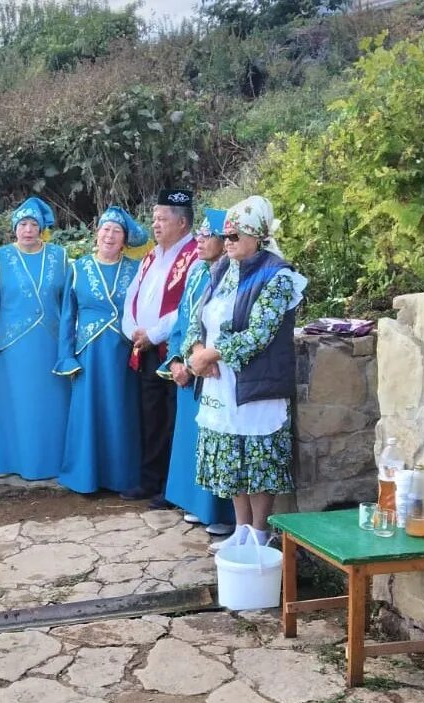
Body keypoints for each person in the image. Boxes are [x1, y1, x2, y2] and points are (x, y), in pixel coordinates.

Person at [186, 196, 306, 547]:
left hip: (256, 382)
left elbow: (258, 334)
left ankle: (259, 533)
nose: (228, 243)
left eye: (235, 237)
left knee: (257, 458)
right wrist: (196, 350)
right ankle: (241, 531)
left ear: (258, 237)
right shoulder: (221, 269)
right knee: (231, 455)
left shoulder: (278, 276)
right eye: (226, 237)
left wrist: (210, 355)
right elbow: (200, 316)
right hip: (221, 383)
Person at [122, 188, 205, 505]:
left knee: (172, 418)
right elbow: (131, 297)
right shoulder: (151, 257)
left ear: (182, 223)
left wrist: (154, 334)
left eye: (161, 218)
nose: (154, 225)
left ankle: (171, 488)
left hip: (173, 352)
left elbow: (187, 306)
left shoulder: (196, 256)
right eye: (154, 218)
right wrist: (133, 331)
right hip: (143, 348)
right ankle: (149, 480)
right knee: (150, 415)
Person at [56, 206, 146, 495]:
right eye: (105, 229)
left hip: (123, 352)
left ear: (124, 239)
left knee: (121, 412)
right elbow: (67, 316)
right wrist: (66, 355)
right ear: (97, 233)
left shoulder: (136, 269)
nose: (109, 235)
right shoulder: (78, 267)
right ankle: (85, 477)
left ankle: (122, 477)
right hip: (89, 352)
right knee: (88, 413)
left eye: (116, 231)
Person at [0, 197, 72, 480]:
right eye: (23, 224)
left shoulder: (60, 256)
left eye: (34, 224)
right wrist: (6, 330)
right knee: (16, 404)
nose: (28, 229)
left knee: (51, 402)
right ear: (15, 228)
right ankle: (9, 460)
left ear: (43, 227)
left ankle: (54, 461)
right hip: (13, 345)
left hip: (50, 341)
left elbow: (67, 300)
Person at [165, 207, 237, 536]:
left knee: (215, 440)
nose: (200, 240)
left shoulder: (233, 274)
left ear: (225, 240)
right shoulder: (196, 272)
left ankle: (220, 514)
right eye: (200, 234)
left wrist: (202, 361)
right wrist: (177, 360)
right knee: (192, 441)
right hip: (190, 366)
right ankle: (195, 503)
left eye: (208, 236)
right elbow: (184, 320)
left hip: (214, 371)